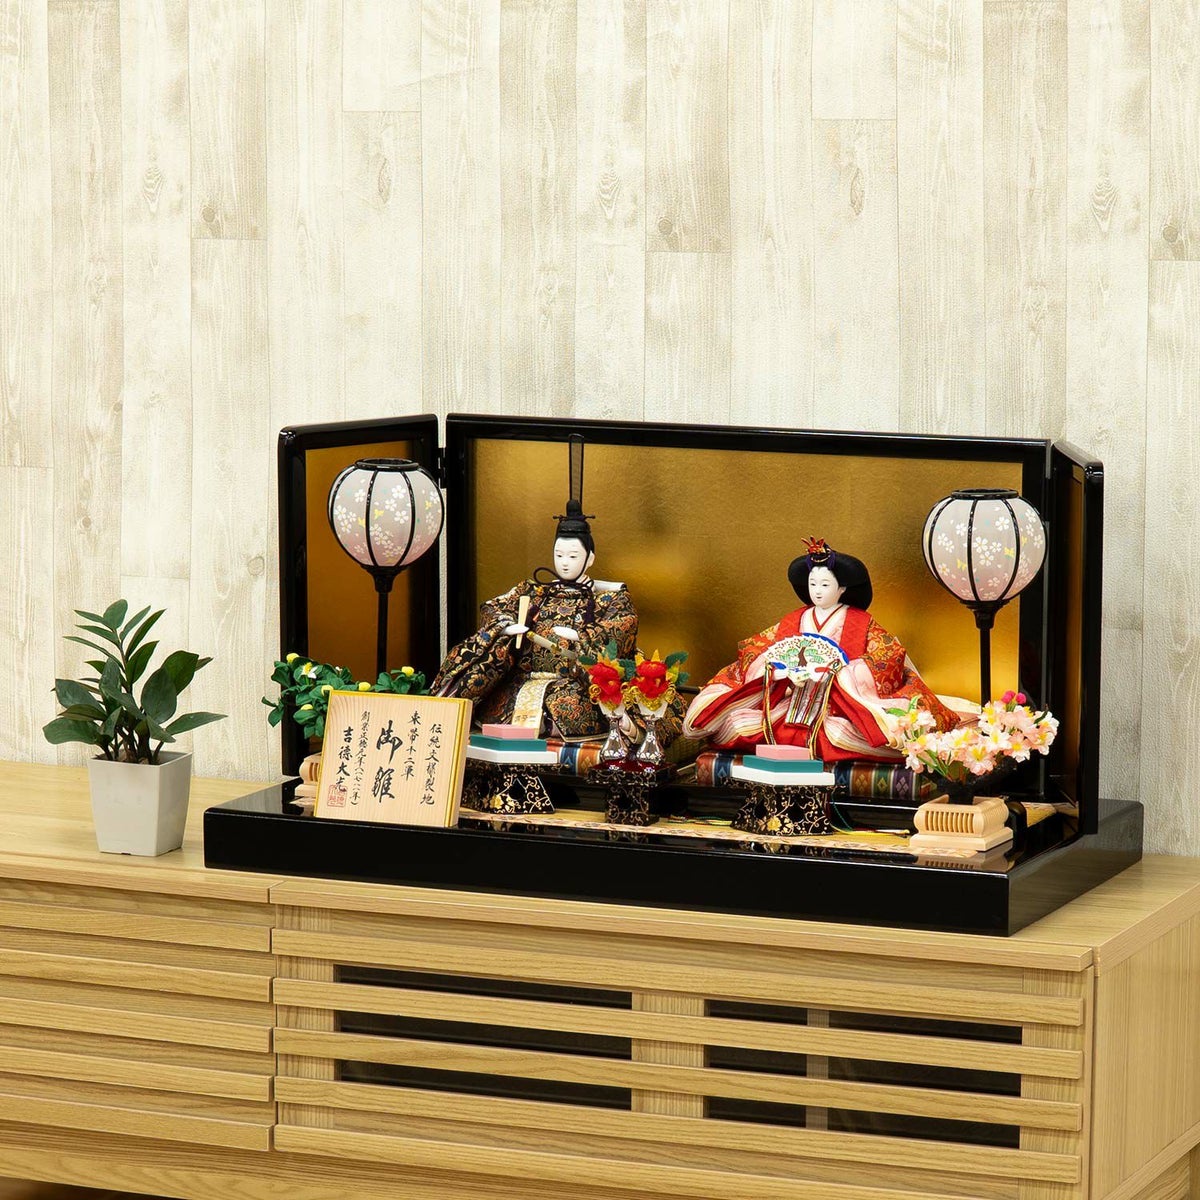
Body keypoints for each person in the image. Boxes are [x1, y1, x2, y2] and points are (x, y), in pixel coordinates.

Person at [682, 538, 958, 762]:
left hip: (837, 707)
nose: (817, 591)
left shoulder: (860, 623)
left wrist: (839, 676)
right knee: (739, 725)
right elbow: (757, 650)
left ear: (842, 588)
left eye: (825, 585)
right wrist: (780, 673)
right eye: (813, 584)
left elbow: (887, 656)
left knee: (842, 735)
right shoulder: (793, 620)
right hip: (790, 700)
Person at [432, 499, 637, 738]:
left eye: (573, 556)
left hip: (573, 684)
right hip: (524, 681)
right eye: (559, 555)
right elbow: (493, 607)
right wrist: (505, 626)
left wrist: (583, 636)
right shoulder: (534, 591)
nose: (564, 563)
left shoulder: (609, 598)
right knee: (500, 705)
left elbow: (623, 624)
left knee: (570, 707)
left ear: (590, 558)